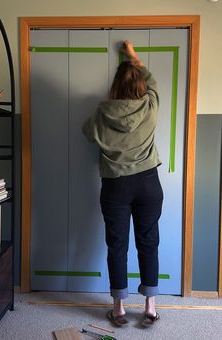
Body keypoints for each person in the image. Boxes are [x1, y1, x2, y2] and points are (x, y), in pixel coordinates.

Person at [82, 40, 163, 328]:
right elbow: (152, 82)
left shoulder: (103, 113)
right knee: (148, 242)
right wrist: (133, 57)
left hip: (116, 185)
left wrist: (102, 116)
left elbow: (87, 132)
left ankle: (118, 310)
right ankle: (150, 308)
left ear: (114, 88)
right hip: (148, 183)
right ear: (140, 85)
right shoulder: (151, 105)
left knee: (117, 246)